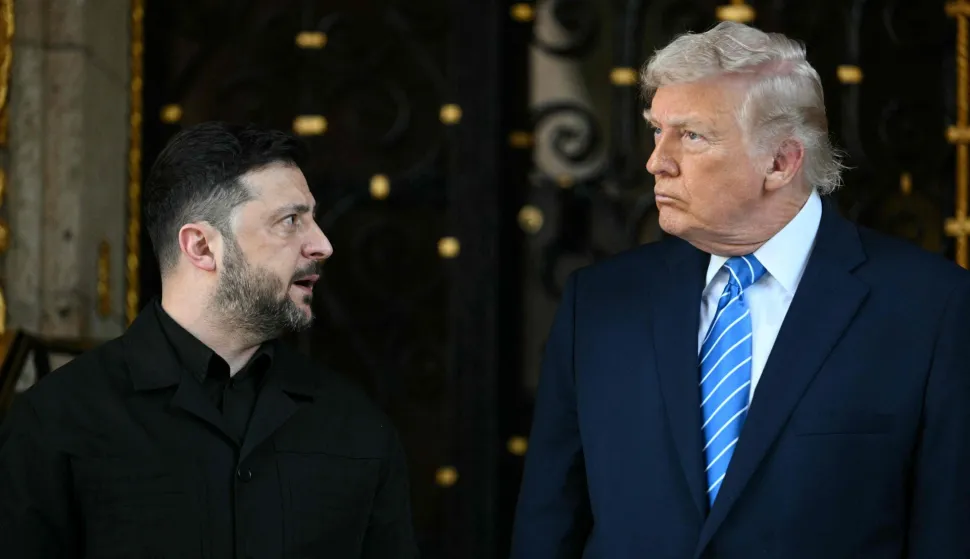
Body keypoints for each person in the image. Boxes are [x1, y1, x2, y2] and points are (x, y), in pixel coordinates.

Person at [511, 21, 970, 558]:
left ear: (781, 161)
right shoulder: (599, 303)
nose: (657, 161)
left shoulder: (932, 308)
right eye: (656, 130)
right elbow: (549, 526)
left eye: (692, 135)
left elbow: (949, 533)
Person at [0, 122, 419, 558]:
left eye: (313, 219)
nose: (322, 244)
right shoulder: (56, 422)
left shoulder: (357, 426)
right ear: (201, 246)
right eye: (290, 221)